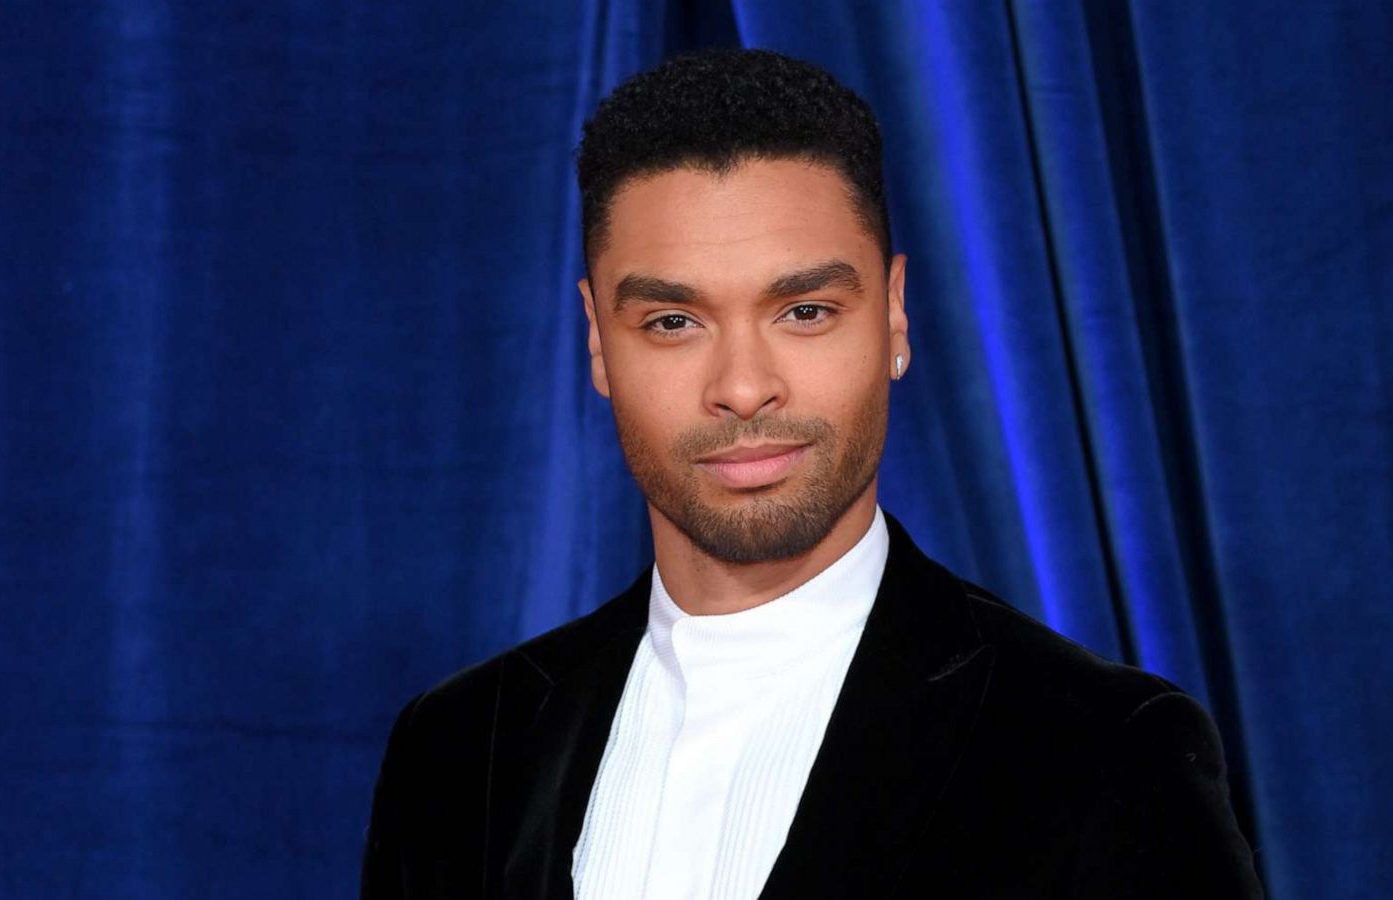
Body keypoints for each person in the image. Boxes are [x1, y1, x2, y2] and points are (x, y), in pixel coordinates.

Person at [360, 48, 1263, 899]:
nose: (744, 388)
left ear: (895, 316)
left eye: (804, 310)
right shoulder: (457, 749)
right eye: (674, 322)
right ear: (599, 339)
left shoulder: (1102, 751)